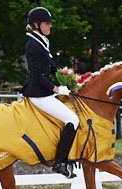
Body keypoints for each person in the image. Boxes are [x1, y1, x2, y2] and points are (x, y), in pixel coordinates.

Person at [21, 7, 79, 179]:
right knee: (72, 119)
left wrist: (69, 80)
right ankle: (60, 162)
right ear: (37, 25)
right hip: (39, 93)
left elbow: (53, 69)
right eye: (47, 24)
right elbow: (37, 75)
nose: (50, 27)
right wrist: (56, 89)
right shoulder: (32, 45)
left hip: (46, 91)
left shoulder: (41, 42)